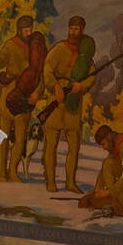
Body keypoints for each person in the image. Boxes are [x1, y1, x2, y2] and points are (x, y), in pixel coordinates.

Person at [42, 16, 96, 195]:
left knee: (74, 145)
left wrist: (82, 86)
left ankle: (70, 183)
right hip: (56, 100)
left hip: (73, 100)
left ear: (82, 30)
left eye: (77, 29)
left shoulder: (85, 54)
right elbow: (47, 68)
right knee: (51, 143)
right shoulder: (59, 49)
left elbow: (91, 75)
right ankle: (50, 181)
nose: (73, 32)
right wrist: (55, 86)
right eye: (71, 28)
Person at [0, 15, 44, 182]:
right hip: (8, 95)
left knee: (20, 138)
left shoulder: (36, 48)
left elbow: (40, 74)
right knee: (1, 136)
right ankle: (1, 171)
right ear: (19, 30)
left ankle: (13, 171)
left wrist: (37, 92)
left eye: (31, 29)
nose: (29, 32)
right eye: (26, 29)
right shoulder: (10, 45)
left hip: (26, 98)